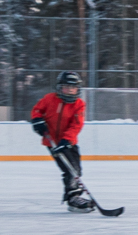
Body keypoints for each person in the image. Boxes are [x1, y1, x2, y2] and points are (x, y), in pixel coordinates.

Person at [28, 72, 93, 212]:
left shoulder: (79, 104)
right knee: (69, 169)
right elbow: (37, 110)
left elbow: (76, 125)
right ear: (59, 87)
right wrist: (37, 121)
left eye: (73, 87)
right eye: (66, 87)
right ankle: (73, 198)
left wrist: (67, 140)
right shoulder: (50, 99)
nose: (70, 90)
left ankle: (74, 195)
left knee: (76, 169)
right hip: (52, 142)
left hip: (69, 142)